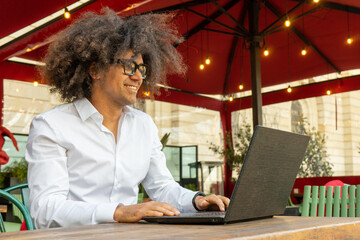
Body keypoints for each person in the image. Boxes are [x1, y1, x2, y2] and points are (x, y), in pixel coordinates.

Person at [25, 9, 229, 229]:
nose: (138, 76)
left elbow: (162, 187)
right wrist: (118, 212)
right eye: (129, 66)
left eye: (142, 68)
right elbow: (46, 209)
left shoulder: (143, 125)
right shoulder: (52, 126)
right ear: (96, 70)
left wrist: (197, 201)